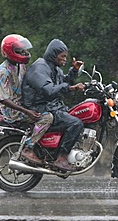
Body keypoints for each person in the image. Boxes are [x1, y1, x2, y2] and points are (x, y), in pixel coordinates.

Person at [22, 39, 85, 171]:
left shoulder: (55, 69)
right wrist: (71, 88)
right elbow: (49, 91)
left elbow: (64, 81)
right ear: (53, 55)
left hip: (51, 106)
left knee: (77, 115)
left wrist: (74, 70)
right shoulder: (39, 68)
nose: (65, 60)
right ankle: (61, 158)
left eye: (65, 57)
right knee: (76, 124)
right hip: (38, 108)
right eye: (62, 56)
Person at [0, 34, 53, 164]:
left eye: (23, 50)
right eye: (19, 50)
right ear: (9, 52)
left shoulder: (20, 66)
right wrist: (27, 111)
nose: (23, 52)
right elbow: (4, 99)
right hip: (12, 112)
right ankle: (28, 148)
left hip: (23, 105)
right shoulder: (3, 72)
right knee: (47, 118)